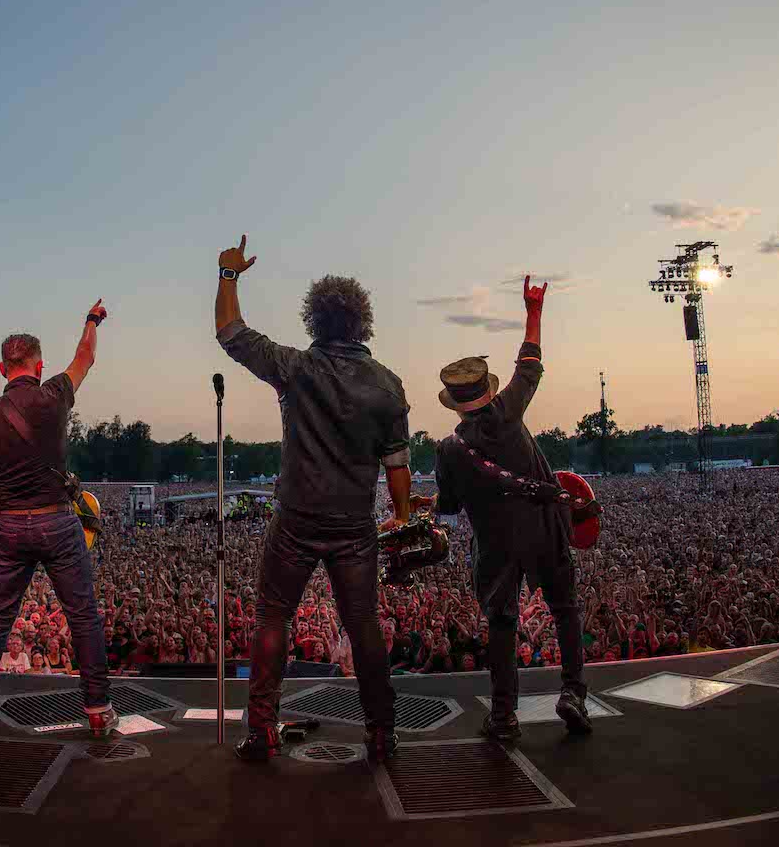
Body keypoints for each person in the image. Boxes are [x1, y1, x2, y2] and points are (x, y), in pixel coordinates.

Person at [215, 235, 411, 763]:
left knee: (272, 618)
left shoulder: (296, 368)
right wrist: (403, 517)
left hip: (296, 518)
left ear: (315, 320)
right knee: (363, 622)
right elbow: (398, 467)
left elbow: (231, 334)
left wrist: (229, 276)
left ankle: (262, 729)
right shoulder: (389, 387)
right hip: (354, 523)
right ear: (361, 322)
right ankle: (381, 731)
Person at [0, 308, 117, 735]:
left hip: (9, 526)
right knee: (82, 615)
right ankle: (98, 710)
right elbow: (85, 357)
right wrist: (91, 320)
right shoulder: (54, 395)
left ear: (1, 368)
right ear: (39, 365)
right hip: (56, 522)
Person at [435, 276, 592, 739]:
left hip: (497, 545)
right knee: (565, 610)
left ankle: (503, 716)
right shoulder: (508, 411)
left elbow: (448, 507)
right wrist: (534, 311)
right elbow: (530, 363)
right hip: (546, 528)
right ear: (487, 390)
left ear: (457, 406)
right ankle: (573, 693)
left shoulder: (449, 450)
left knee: (501, 624)